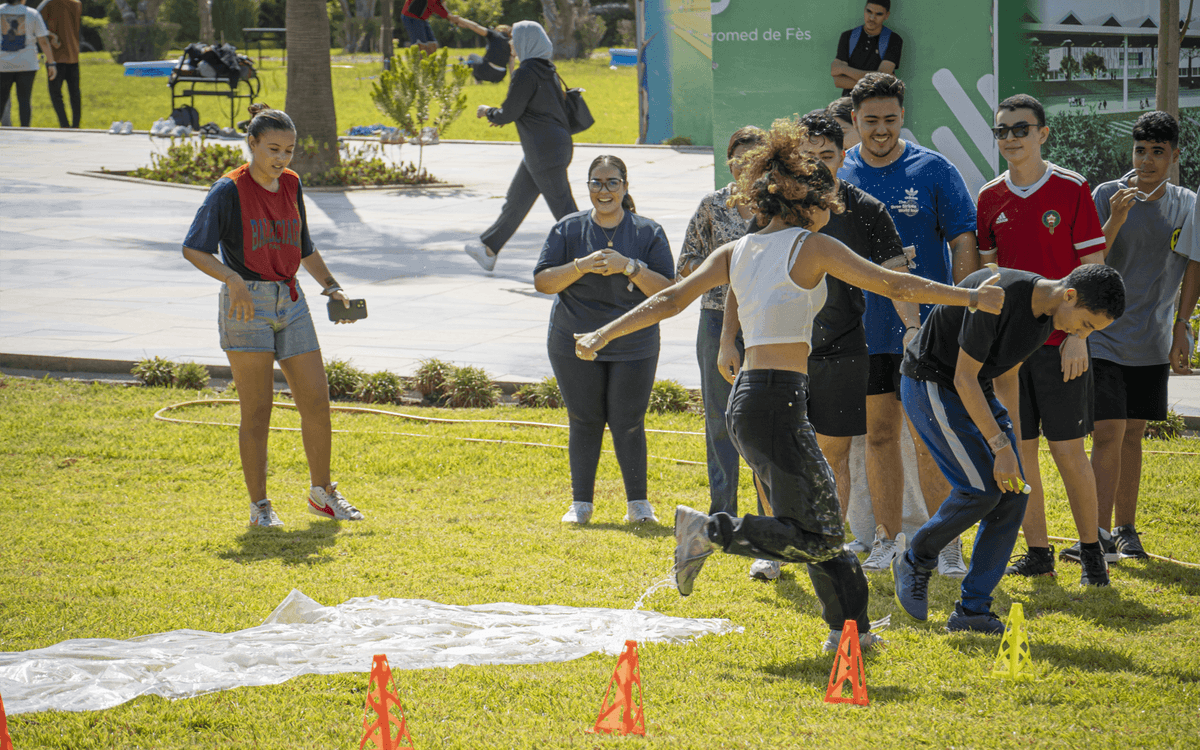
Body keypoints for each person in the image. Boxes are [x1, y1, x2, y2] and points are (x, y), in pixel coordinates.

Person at [575, 119, 1005, 652]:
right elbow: (894, 283)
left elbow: (670, 300)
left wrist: (602, 333)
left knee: (821, 528)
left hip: (753, 402)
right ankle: (709, 531)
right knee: (821, 530)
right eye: (827, 201)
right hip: (775, 402)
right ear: (806, 202)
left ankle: (850, 634)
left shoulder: (738, 250)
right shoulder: (812, 246)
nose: (833, 211)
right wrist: (970, 298)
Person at [718, 111, 908, 581]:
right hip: (774, 379)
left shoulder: (861, 210)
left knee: (829, 459)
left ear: (842, 159)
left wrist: (917, 329)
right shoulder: (773, 230)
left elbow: (896, 281)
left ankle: (827, 542)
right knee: (777, 469)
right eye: (810, 159)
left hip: (839, 352)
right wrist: (727, 338)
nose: (820, 169)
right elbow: (733, 283)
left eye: (828, 156)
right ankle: (786, 545)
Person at [895, 265, 1125, 633]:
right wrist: (999, 447)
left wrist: (1011, 446)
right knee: (980, 490)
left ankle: (972, 611)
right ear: (1069, 295)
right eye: (1086, 325)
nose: (1080, 334)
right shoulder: (999, 294)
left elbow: (1006, 376)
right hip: (932, 382)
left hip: (974, 391)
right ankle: (916, 557)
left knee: (1013, 494)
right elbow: (963, 377)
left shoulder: (1050, 315)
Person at [182, 104, 366, 528]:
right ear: (252, 143)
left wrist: (332, 286)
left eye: (289, 150)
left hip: (292, 300)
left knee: (317, 403)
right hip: (247, 306)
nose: (281, 159)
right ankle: (260, 506)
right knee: (258, 410)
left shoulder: (291, 184)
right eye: (272, 149)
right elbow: (194, 248)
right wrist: (233, 280)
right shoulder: (227, 190)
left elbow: (302, 244)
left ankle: (323, 493)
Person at [841, 72, 979, 578]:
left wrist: (959, 308)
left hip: (929, 331)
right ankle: (885, 537)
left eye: (891, 120)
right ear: (854, 120)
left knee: (932, 438)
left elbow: (964, 239)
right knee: (879, 435)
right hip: (864, 330)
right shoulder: (842, 174)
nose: (881, 130)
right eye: (871, 120)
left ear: (904, 116)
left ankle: (946, 545)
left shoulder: (934, 169)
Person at [976, 94, 1109, 585]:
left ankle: (1093, 553)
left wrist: (1079, 338)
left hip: (1061, 348)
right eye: (1003, 131)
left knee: (1068, 451)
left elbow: (1092, 271)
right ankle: (1038, 552)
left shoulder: (1072, 188)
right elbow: (988, 277)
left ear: (1042, 133)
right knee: (1022, 451)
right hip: (1010, 352)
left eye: (1021, 129)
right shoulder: (989, 196)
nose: (1011, 138)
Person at [532, 155, 675, 526]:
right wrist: (580, 266)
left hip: (634, 344)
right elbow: (544, 282)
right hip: (573, 341)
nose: (604, 191)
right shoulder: (568, 229)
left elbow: (669, 293)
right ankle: (581, 504)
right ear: (588, 187)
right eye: (596, 183)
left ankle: (638, 505)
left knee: (628, 421)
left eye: (612, 183)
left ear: (625, 187)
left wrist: (629, 266)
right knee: (583, 419)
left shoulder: (648, 232)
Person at [1085, 111, 1200, 562]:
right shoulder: (1106, 195)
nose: (1147, 160)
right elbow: (1090, 257)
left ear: (1174, 156)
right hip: (1101, 336)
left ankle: (1126, 530)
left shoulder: (1188, 204)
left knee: (1134, 432)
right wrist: (1114, 218)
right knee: (1108, 430)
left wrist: (1181, 328)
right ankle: (1093, 536)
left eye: (1157, 152)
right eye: (1140, 150)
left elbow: (1194, 269)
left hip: (1151, 340)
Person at [676, 127, 764, 516]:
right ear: (729, 163)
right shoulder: (712, 206)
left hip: (765, 321)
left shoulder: (777, 207)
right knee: (719, 416)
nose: (747, 168)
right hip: (715, 320)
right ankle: (722, 511)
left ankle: (770, 512)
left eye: (755, 160)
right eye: (739, 160)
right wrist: (726, 271)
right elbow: (685, 265)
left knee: (764, 419)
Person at [465, 20, 578, 272]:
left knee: (564, 209)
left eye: (514, 38)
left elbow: (509, 112)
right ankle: (488, 249)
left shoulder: (526, 72)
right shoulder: (546, 68)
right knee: (516, 202)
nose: (510, 43)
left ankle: (593, 257)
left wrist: (488, 112)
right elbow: (526, 108)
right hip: (552, 146)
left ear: (526, 41)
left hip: (543, 150)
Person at [0, 0, 55, 128]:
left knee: (1, 100)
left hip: (3, 65)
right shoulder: (32, 13)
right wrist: (51, 63)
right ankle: (25, 131)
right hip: (27, 64)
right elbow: (43, 40)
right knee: (24, 100)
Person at [831, 1, 903, 97]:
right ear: (864, 10)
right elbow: (838, 81)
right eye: (869, 11)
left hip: (879, 105)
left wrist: (843, 69)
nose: (872, 18)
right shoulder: (847, 36)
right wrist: (878, 82)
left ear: (886, 15)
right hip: (849, 104)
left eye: (879, 14)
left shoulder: (894, 39)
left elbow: (881, 78)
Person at [35, 0, 76, 128]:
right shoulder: (76, 4)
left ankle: (65, 125)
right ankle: (75, 126)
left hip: (54, 57)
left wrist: (51, 35)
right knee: (74, 93)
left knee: (56, 94)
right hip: (72, 55)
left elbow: (35, 24)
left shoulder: (46, 4)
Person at [448, 13, 512, 84]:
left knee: (472, 56)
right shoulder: (511, 42)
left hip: (484, 71)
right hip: (500, 76)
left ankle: (478, 81)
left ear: (498, 30)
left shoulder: (494, 35)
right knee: (484, 60)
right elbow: (511, 61)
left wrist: (459, 19)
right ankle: (494, 82)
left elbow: (476, 27)